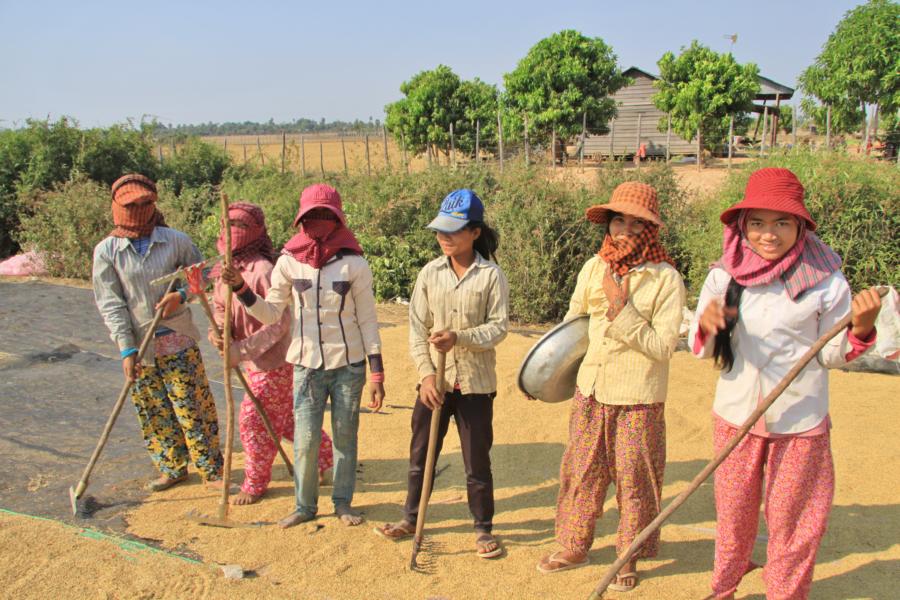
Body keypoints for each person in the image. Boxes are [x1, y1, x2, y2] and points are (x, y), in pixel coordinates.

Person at [688, 167, 882, 600]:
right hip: (735, 418)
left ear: (801, 225)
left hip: (799, 423)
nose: (768, 234)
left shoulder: (827, 284)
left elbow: (832, 354)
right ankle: (722, 590)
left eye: (781, 222)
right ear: (742, 224)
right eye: (756, 222)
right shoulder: (724, 275)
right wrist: (707, 325)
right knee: (734, 517)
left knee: (793, 523)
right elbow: (698, 348)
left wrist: (861, 327)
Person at [536, 182, 685, 592]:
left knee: (636, 479)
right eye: (618, 220)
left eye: (636, 223)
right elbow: (573, 329)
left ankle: (628, 555)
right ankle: (573, 544)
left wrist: (622, 311)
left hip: (638, 397)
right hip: (591, 390)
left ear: (650, 230)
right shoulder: (592, 268)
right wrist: (546, 376)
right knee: (581, 471)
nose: (624, 230)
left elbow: (661, 347)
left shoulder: (665, 279)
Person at [221, 183, 384, 527]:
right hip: (306, 366)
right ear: (301, 220)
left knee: (344, 437)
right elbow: (269, 313)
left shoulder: (354, 264)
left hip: (349, 366)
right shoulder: (288, 263)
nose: (319, 222)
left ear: (339, 220)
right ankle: (304, 506)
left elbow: (368, 320)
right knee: (306, 440)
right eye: (312, 216)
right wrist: (240, 288)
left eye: (327, 216)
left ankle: (342, 503)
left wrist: (377, 373)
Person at [374, 189, 509, 559]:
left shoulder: (491, 276)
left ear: (475, 232)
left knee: (476, 462)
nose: (444, 238)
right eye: (440, 231)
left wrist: (460, 337)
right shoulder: (429, 274)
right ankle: (410, 518)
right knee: (422, 456)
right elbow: (417, 330)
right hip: (436, 384)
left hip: (476, 386)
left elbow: (498, 328)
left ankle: (483, 529)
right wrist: (428, 376)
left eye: (453, 230)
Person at [92, 173, 223, 491]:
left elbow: (203, 273)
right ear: (117, 207)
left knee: (191, 405)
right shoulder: (107, 251)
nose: (139, 209)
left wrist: (180, 294)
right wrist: (126, 348)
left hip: (177, 336)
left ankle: (211, 470)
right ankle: (172, 467)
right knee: (153, 408)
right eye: (131, 205)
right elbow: (110, 303)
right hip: (139, 343)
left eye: (145, 203)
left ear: (154, 204)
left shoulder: (175, 240)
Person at [209, 202, 333, 505]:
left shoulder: (263, 271)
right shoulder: (223, 272)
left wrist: (241, 349)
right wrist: (219, 332)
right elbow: (220, 306)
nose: (234, 232)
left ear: (255, 233)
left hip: (274, 361)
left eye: (241, 227)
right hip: (250, 362)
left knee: (254, 421)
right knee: (286, 419)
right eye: (229, 226)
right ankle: (328, 460)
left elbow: (278, 322)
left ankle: (255, 482)